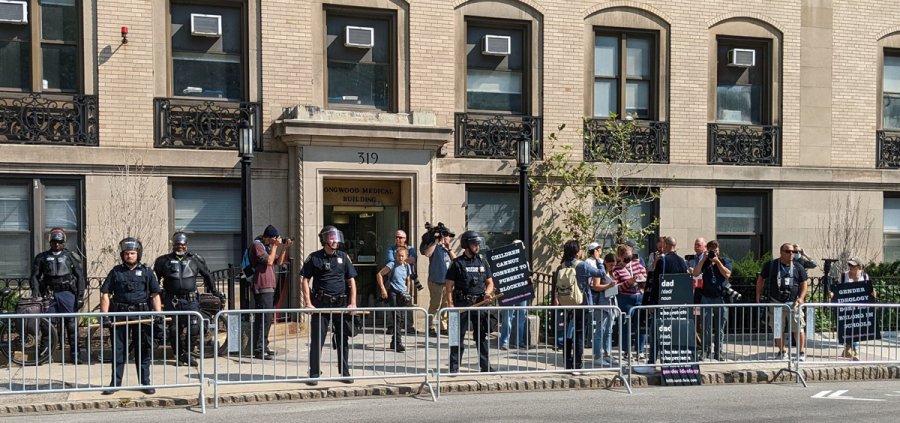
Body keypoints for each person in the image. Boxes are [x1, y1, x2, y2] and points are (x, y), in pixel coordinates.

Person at [99, 237, 162, 395]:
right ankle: (115, 383)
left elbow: (155, 294)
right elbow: (105, 293)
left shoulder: (147, 271)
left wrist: (159, 314)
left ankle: (145, 382)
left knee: (143, 350)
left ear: (138, 254)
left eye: (132, 253)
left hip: (142, 315)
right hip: (120, 315)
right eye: (126, 253)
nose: (129, 256)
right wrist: (104, 316)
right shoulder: (115, 272)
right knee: (118, 350)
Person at [153, 232, 221, 366]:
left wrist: (214, 291)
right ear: (173, 245)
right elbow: (155, 279)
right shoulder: (163, 261)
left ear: (186, 245)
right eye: (178, 244)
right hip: (172, 300)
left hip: (190, 300)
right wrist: (155, 295)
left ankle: (189, 354)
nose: (180, 247)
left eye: (183, 244)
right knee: (174, 329)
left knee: (194, 326)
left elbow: (207, 275)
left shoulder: (195, 259)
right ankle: (179, 355)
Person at [301, 225, 358, 385]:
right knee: (317, 340)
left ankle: (345, 372)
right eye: (331, 237)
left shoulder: (343, 257)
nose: (335, 240)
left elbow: (351, 281)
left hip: (340, 304)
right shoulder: (314, 258)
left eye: (336, 236)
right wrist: (308, 303)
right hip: (321, 305)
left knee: (342, 340)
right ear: (324, 240)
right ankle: (313, 374)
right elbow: (305, 280)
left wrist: (352, 303)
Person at [29, 228, 86, 364]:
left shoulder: (71, 256)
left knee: (71, 325)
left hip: (67, 293)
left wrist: (80, 296)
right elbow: (34, 276)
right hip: (49, 294)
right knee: (47, 325)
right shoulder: (42, 257)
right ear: (50, 242)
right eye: (54, 242)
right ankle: (44, 356)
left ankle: (75, 355)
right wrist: (36, 290)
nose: (56, 244)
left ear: (63, 242)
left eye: (59, 242)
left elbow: (80, 277)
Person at [445, 230, 495, 373]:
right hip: (462, 304)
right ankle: (454, 367)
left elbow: (490, 283)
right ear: (466, 244)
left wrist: (487, 293)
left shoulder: (482, 261)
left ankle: (485, 366)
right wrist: (450, 305)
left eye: (478, 244)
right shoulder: (457, 263)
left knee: (482, 336)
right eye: (474, 244)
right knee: (457, 337)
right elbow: (448, 286)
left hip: (479, 303)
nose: (477, 246)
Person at [755, 243, 809, 361]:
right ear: (781, 252)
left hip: (794, 303)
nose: (791, 254)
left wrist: (801, 298)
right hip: (776, 302)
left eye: (793, 252)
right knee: (778, 328)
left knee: (798, 328)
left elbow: (804, 283)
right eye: (788, 251)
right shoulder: (771, 265)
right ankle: (782, 351)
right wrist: (758, 294)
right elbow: (761, 279)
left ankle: (801, 352)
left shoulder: (798, 266)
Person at [249, 225, 292, 360]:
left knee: (268, 319)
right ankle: (259, 349)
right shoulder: (257, 245)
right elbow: (268, 261)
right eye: (275, 238)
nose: (276, 240)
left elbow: (278, 262)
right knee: (263, 318)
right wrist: (274, 246)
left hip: (269, 286)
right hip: (261, 286)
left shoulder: (267, 247)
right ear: (268, 237)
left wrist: (284, 247)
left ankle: (264, 346)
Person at [692, 240, 732, 361]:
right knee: (706, 326)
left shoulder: (725, 261)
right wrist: (704, 259)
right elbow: (695, 273)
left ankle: (718, 352)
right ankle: (705, 350)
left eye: (715, 249)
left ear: (719, 250)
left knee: (720, 326)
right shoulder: (705, 262)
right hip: (706, 297)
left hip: (720, 297)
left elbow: (728, 274)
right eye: (711, 250)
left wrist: (717, 262)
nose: (714, 252)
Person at [830, 257, 876, 361]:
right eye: (849, 265)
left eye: (853, 266)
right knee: (848, 327)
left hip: (860, 307)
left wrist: (873, 295)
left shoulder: (864, 276)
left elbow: (869, 290)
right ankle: (850, 348)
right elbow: (837, 289)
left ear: (859, 266)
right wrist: (832, 294)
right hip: (846, 307)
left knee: (856, 327)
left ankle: (853, 349)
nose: (851, 267)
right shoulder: (843, 276)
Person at [611, 244, 647, 360]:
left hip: (638, 296)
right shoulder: (616, 269)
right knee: (626, 325)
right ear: (620, 257)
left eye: (630, 256)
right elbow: (616, 287)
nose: (629, 259)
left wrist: (642, 280)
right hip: (625, 299)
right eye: (626, 257)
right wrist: (629, 283)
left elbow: (645, 274)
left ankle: (640, 350)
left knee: (641, 324)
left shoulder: (636, 263)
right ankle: (626, 350)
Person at [376, 246, 413, 352]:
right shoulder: (392, 264)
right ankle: (398, 342)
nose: (400, 258)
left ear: (406, 256)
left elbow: (408, 280)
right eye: (398, 256)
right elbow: (379, 274)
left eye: (402, 256)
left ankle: (394, 341)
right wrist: (383, 289)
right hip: (393, 292)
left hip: (403, 293)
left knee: (401, 317)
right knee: (396, 316)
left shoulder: (407, 266)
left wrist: (408, 292)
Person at [421, 226, 456, 337]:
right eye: (447, 235)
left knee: (445, 305)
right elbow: (427, 253)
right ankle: (430, 327)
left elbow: (456, 261)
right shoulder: (435, 246)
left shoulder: (447, 248)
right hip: (436, 280)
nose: (449, 238)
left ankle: (443, 327)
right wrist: (436, 241)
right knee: (435, 305)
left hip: (448, 282)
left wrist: (449, 248)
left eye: (450, 236)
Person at [586, 243, 616, 364]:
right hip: (601, 303)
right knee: (600, 330)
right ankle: (597, 355)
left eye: (613, 265)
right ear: (606, 263)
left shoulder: (611, 272)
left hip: (611, 302)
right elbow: (595, 286)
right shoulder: (600, 270)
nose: (612, 267)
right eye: (610, 265)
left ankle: (607, 353)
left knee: (609, 329)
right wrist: (609, 285)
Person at [386, 229, 418, 334]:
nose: (398, 239)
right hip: (393, 279)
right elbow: (391, 260)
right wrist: (404, 258)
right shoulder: (391, 249)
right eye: (396, 237)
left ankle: (408, 325)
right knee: (393, 304)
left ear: (405, 239)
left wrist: (401, 259)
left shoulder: (411, 249)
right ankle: (391, 326)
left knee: (407, 302)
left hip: (406, 279)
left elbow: (413, 259)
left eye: (400, 237)